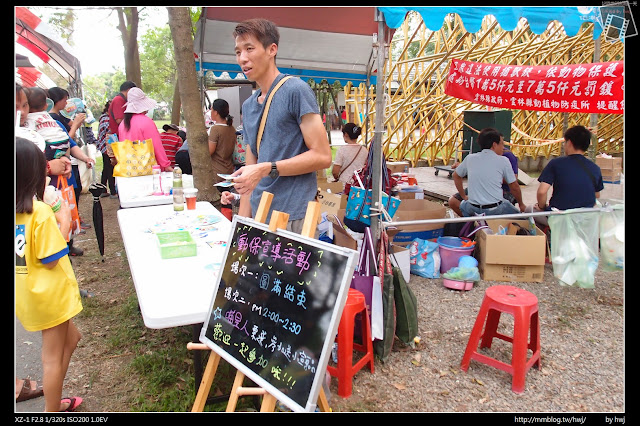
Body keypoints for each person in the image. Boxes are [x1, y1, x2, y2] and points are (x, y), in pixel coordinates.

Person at [230, 18, 332, 232]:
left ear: (272, 49)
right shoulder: (248, 106)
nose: (243, 58)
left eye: (249, 48)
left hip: (293, 215)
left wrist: (268, 168)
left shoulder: (296, 90)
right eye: (238, 52)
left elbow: (323, 156)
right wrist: (241, 227)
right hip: (259, 213)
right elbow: (250, 174)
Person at [15, 137, 84, 412]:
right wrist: (65, 220)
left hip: (30, 294)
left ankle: (54, 400)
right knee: (52, 359)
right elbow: (52, 259)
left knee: (73, 338)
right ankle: (51, 410)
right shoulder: (40, 213)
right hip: (50, 297)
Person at [526, 125, 604, 227]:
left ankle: (547, 239)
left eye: (565, 142)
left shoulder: (556, 163)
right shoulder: (595, 168)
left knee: (529, 210)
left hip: (559, 217)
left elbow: (542, 192)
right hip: (584, 219)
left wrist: (542, 207)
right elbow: (597, 195)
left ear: (570, 143)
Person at [452, 128, 525, 217]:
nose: (503, 148)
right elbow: (514, 186)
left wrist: (464, 196)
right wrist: (521, 204)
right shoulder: (503, 160)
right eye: (501, 144)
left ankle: (473, 226)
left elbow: (456, 175)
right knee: (522, 219)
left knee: (463, 205)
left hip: (472, 207)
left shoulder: (470, 158)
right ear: (494, 145)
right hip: (495, 209)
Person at [117, 87, 172, 172]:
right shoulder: (147, 122)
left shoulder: (122, 124)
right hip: (146, 169)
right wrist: (165, 164)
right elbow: (156, 145)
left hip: (127, 169)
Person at [24, 87, 71, 160]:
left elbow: (29, 134)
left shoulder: (29, 118)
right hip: (65, 142)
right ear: (46, 106)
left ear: (27, 106)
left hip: (50, 146)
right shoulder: (48, 116)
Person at [209, 98, 237, 207]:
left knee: (220, 202)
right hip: (229, 170)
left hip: (216, 172)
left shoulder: (215, 129)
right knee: (228, 202)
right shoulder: (232, 128)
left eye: (211, 110)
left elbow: (210, 151)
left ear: (215, 112)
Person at [107, 81, 137, 168]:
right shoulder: (118, 100)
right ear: (129, 90)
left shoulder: (120, 99)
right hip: (117, 137)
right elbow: (119, 120)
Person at [97, 100, 117, 198]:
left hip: (104, 147)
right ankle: (113, 192)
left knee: (106, 169)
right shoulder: (107, 120)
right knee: (110, 169)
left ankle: (103, 190)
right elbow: (110, 134)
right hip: (107, 147)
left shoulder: (103, 118)